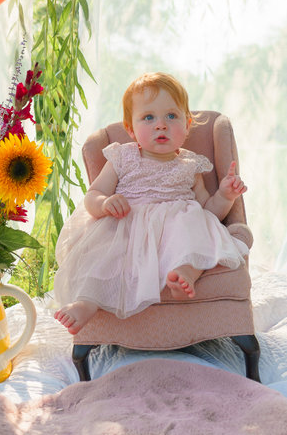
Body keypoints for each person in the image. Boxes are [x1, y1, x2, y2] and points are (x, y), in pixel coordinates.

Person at [53, 72, 248, 335]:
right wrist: (105, 202)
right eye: (148, 118)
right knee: (103, 259)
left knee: (196, 232)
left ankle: (184, 274)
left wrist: (225, 196)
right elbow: (93, 194)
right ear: (130, 129)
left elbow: (209, 212)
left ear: (187, 125)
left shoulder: (190, 164)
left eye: (172, 116)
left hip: (174, 230)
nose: (161, 125)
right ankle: (86, 303)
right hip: (128, 227)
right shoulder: (122, 157)